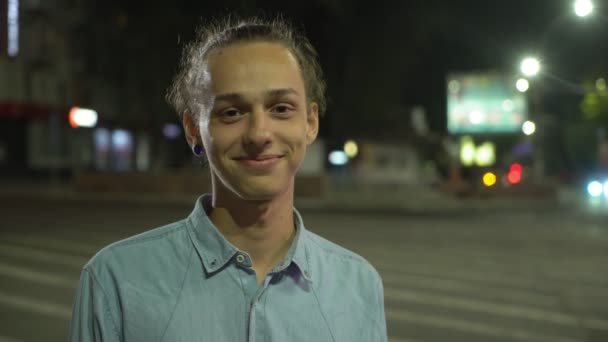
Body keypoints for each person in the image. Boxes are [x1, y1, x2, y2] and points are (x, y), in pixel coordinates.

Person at [69, 16, 387, 342]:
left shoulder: (359, 285)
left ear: (310, 122)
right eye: (231, 112)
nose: (259, 134)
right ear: (194, 129)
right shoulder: (116, 281)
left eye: (280, 108)